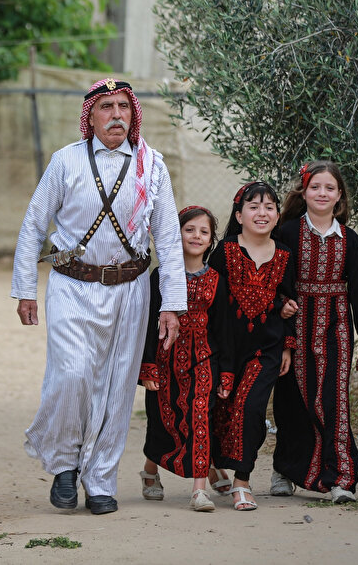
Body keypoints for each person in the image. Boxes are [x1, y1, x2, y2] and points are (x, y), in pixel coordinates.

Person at [12, 78, 186, 515]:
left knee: (117, 387)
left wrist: (171, 304)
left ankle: (101, 479)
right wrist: (24, 291)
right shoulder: (65, 162)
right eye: (106, 107)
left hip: (131, 290)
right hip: (72, 286)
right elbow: (35, 225)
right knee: (72, 375)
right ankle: (65, 465)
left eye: (124, 106)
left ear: (133, 114)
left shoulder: (153, 165)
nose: (117, 115)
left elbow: (166, 238)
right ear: (90, 116)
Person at [271, 160, 358, 504]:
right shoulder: (286, 232)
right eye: (315, 186)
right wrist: (281, 305)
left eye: (329, 188)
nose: (322, 193)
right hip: (294, 331)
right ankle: (285, 470)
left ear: (339, 197)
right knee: (292, 403)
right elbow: (274, 281)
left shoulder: (349, 239)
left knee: (333, 401)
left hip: (336, 330)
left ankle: (341, 479)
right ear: (304, 192)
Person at [207, 181, 297, 511]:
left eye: (269, 207)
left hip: (267, 349)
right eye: (254, 206)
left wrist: (288, 345)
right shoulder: (225, 251)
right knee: (220, 409)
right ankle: (216, 463)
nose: (262, 213)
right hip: (227, 349)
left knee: (252, 408)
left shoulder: (286, 255)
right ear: (239, 215)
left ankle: (242, 482)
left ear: (277, 215)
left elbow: (290, 300)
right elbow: (212, 302)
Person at [139, 205, 234, 513]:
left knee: (200, 418)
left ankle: (198, 491)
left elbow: (223, 329)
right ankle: (150, 472)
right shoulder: (160, 276)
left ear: (211, 241)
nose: (196, 236)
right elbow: (147, 323)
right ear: (176, 234)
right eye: (189, 229)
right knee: (161, 420)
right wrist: (148, 365)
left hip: (204, 360)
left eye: (204, 232)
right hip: (165, 363)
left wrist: (226, 372)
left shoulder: (217, 280)